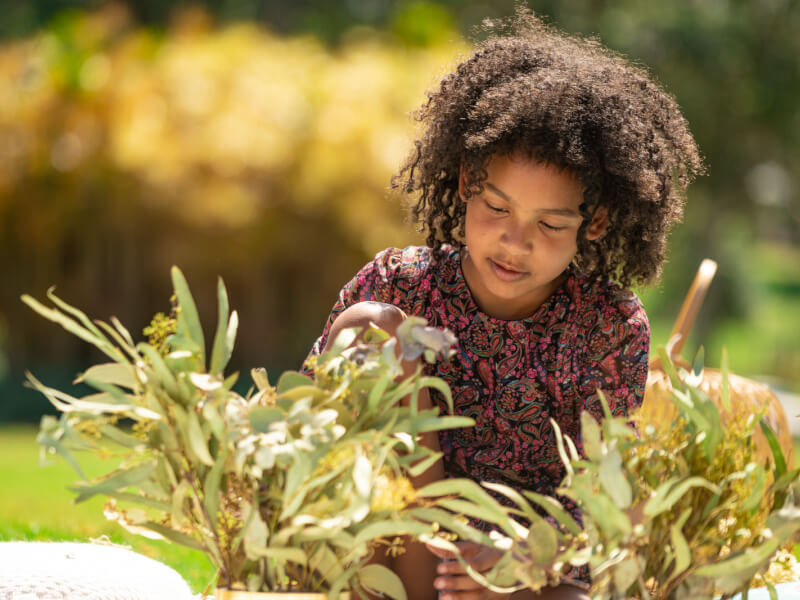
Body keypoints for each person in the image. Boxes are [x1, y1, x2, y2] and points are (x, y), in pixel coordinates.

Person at [305, 7, 704, 599]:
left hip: (522, 566)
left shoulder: (608, 326)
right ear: (466, 183)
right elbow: (315, 424)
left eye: (549, 223)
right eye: (497, 208)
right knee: (370, 330)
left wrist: (525, 556)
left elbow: (600, 494)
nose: (516, 242)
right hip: (394, 555)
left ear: (591, 225)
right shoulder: (397, 287)